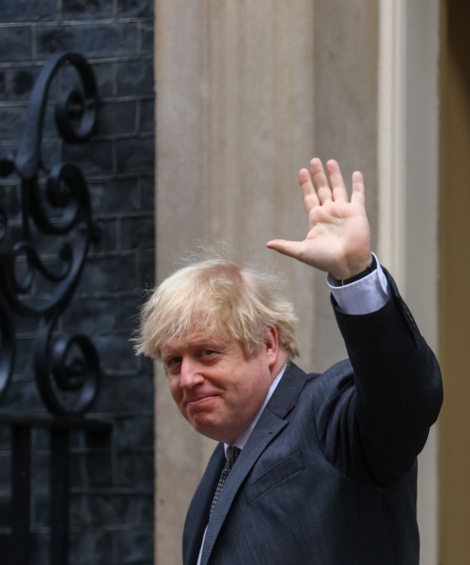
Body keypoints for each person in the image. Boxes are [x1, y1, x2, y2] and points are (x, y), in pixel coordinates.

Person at [135, 158, 443, 565]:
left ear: (267, 344)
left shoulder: (328, 415)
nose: (187, 378)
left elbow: (406, 400)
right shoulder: (217, 475)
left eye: (206, 353)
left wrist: (356, 275)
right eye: (173, 362)